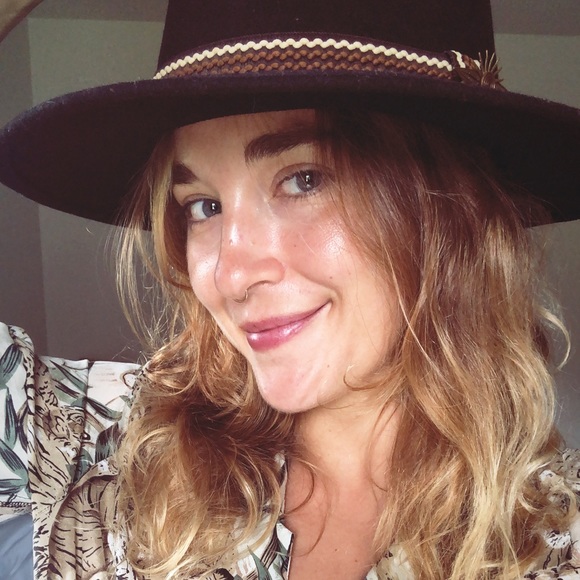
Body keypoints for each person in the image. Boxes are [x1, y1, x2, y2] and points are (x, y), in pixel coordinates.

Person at [0, 0, 579, 578]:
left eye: (303, 180)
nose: (230, 275)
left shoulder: (557, 539)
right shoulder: (97, 445)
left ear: (452, 210)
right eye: (203, 206)